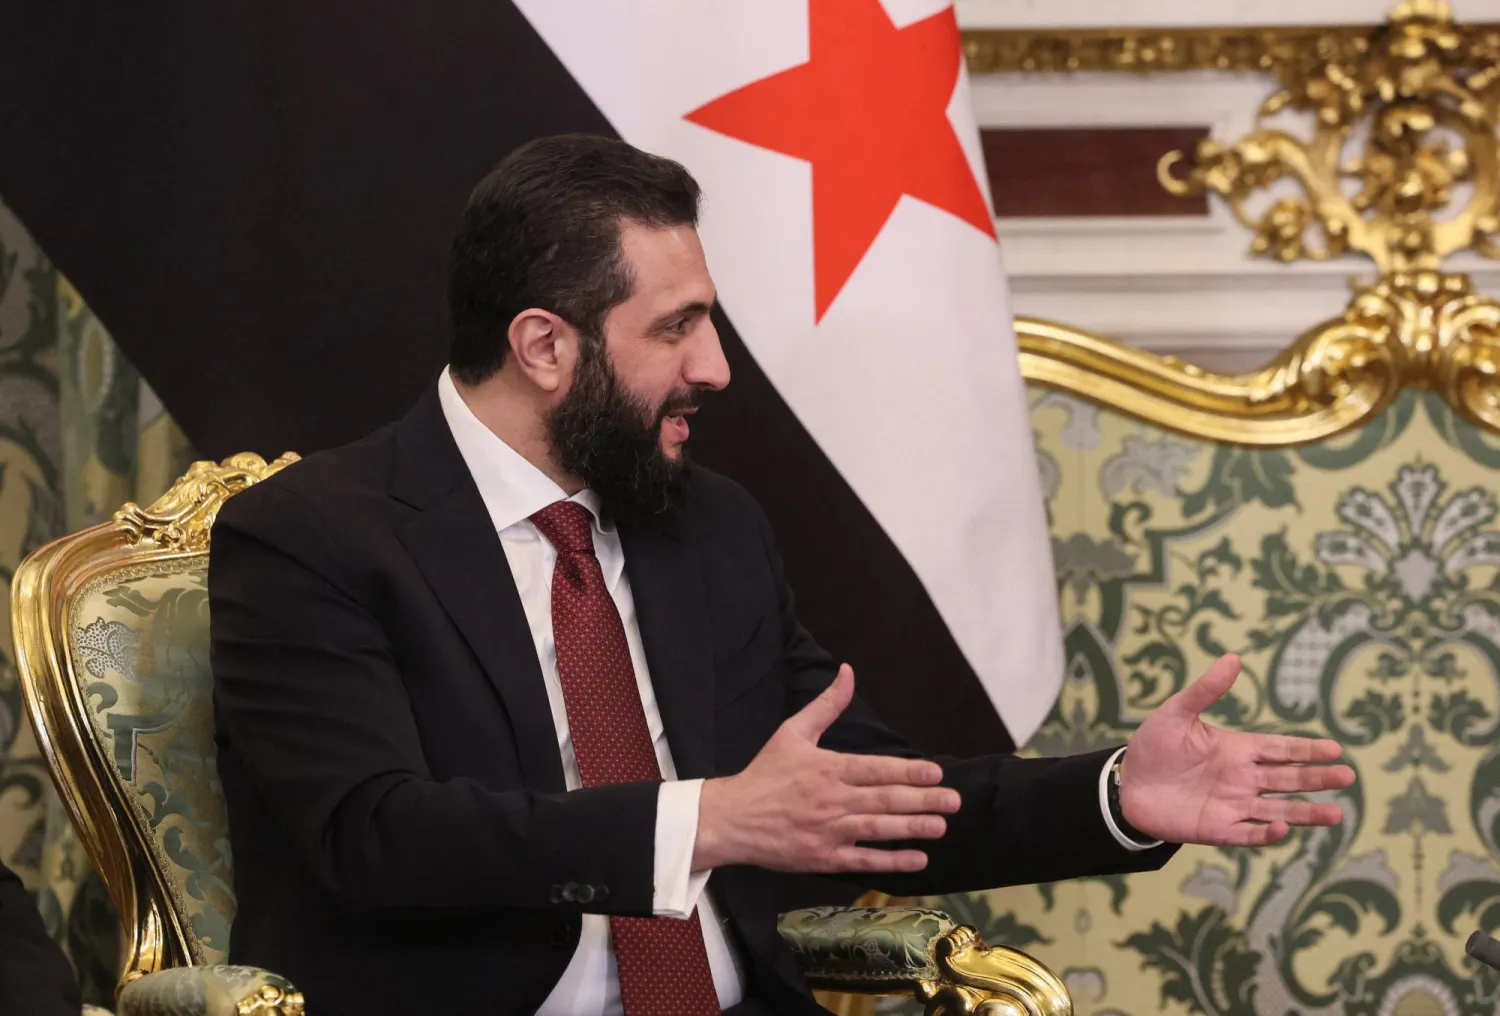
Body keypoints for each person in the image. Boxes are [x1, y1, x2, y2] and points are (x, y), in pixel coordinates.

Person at [207, 134, 1355, 1016]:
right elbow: (377, 835)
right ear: (545, 345)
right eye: (677, 328)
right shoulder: (313, 536)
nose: (714, 366)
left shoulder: (704, 526)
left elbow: (870, 793)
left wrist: (1113, 793)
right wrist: (709, 821)